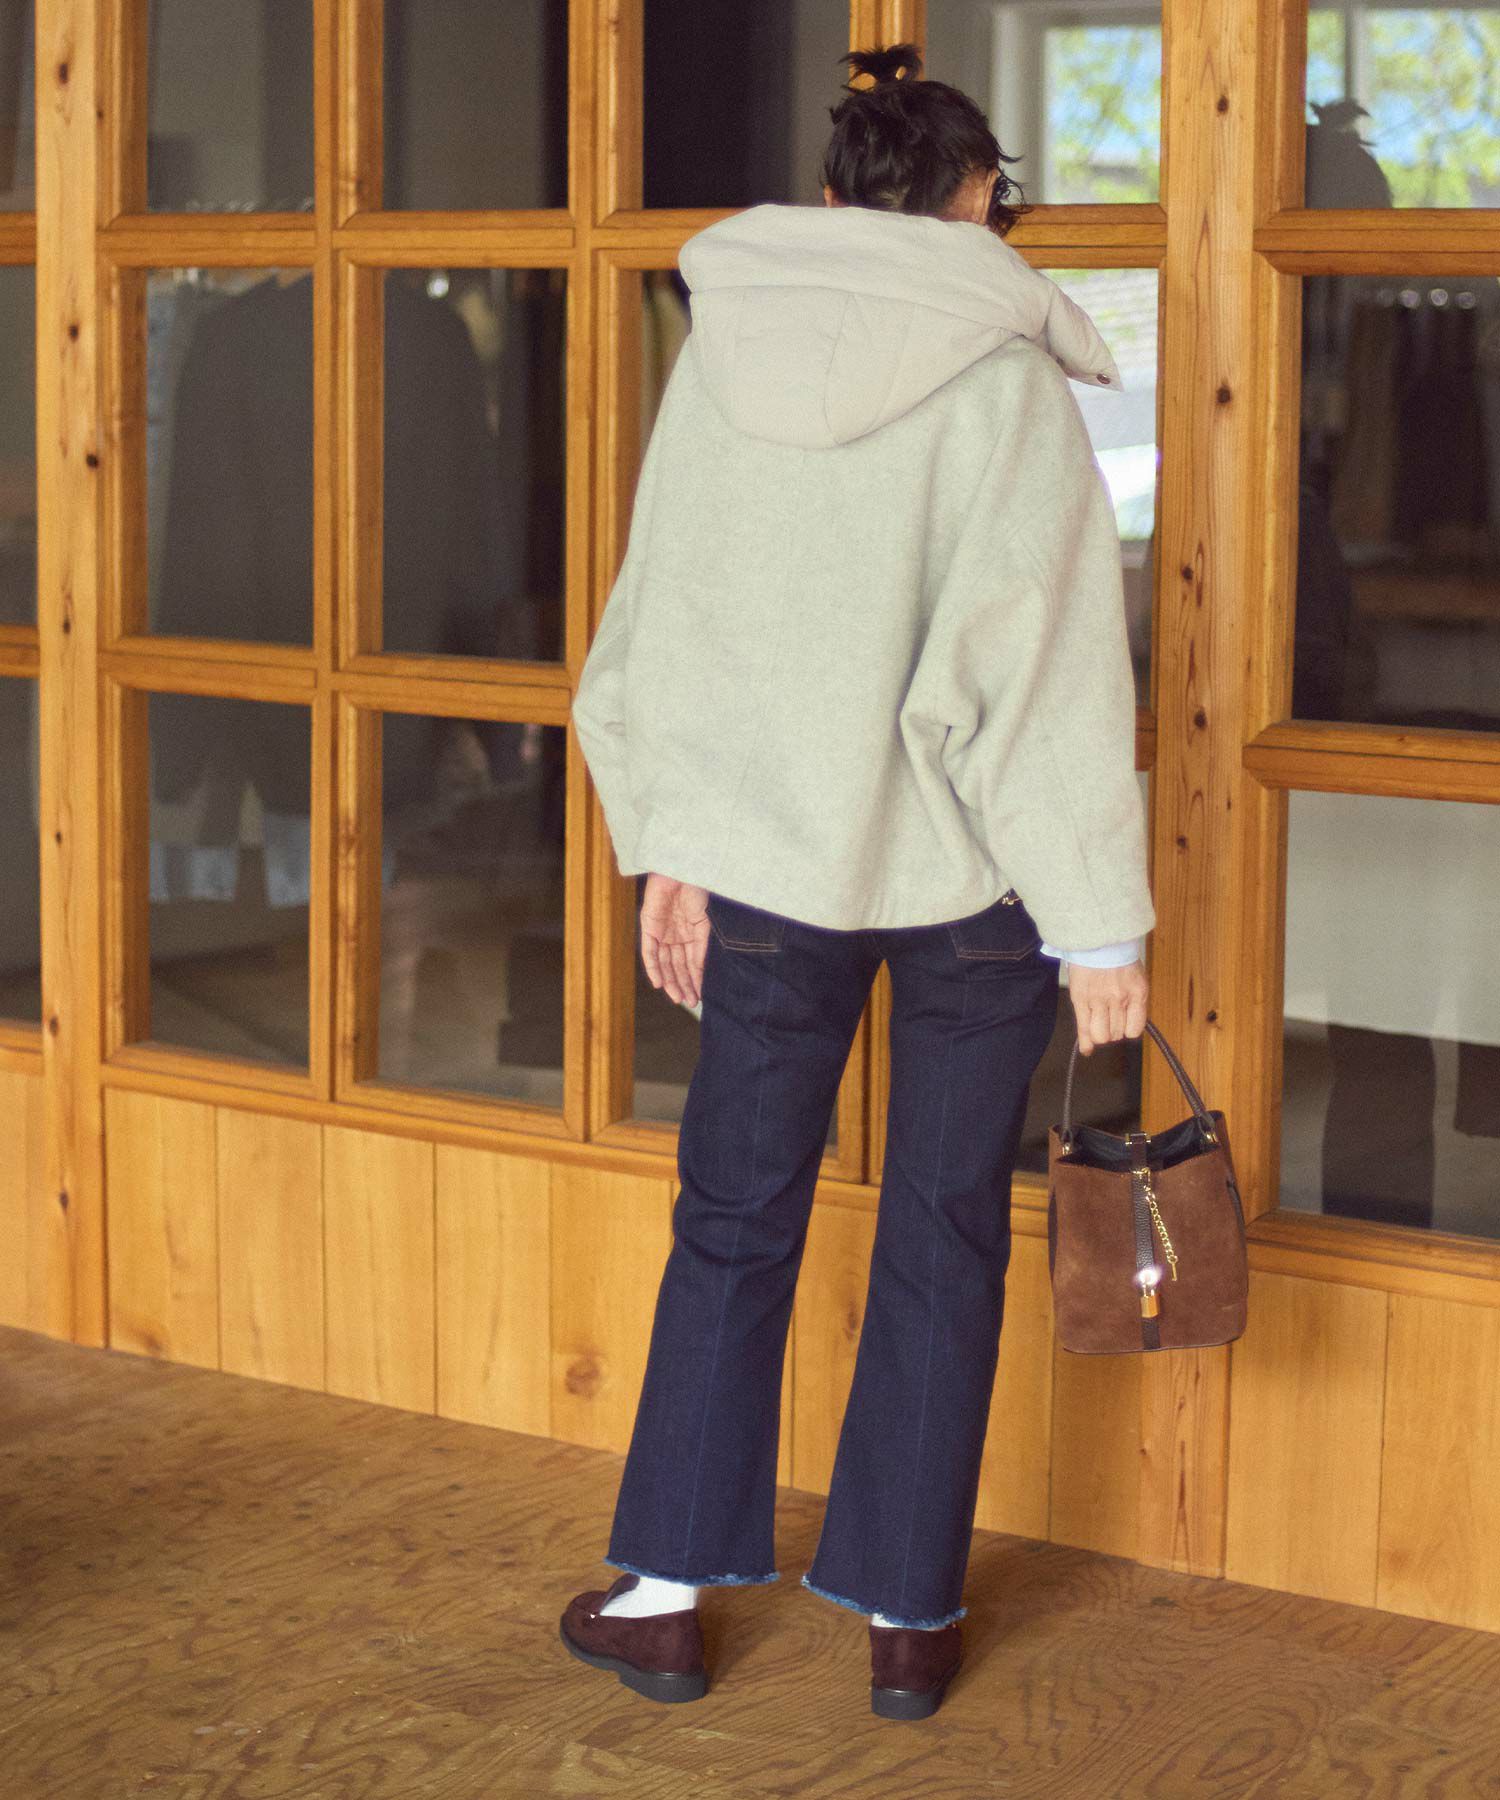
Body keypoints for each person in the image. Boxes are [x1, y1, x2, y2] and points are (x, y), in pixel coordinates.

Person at [559, 42, 1153, 1720]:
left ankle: (663, 1596)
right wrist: (1099, 924)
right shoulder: (1007, 380)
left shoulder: (722, 351)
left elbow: (668, 616)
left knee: (731, 1217)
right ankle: (905, 1617)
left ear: (832, 198)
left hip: (764, 864)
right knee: (944, 1229)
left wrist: (671, 841)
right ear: (977, 205)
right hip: (978, 893)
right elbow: (1039, 673)